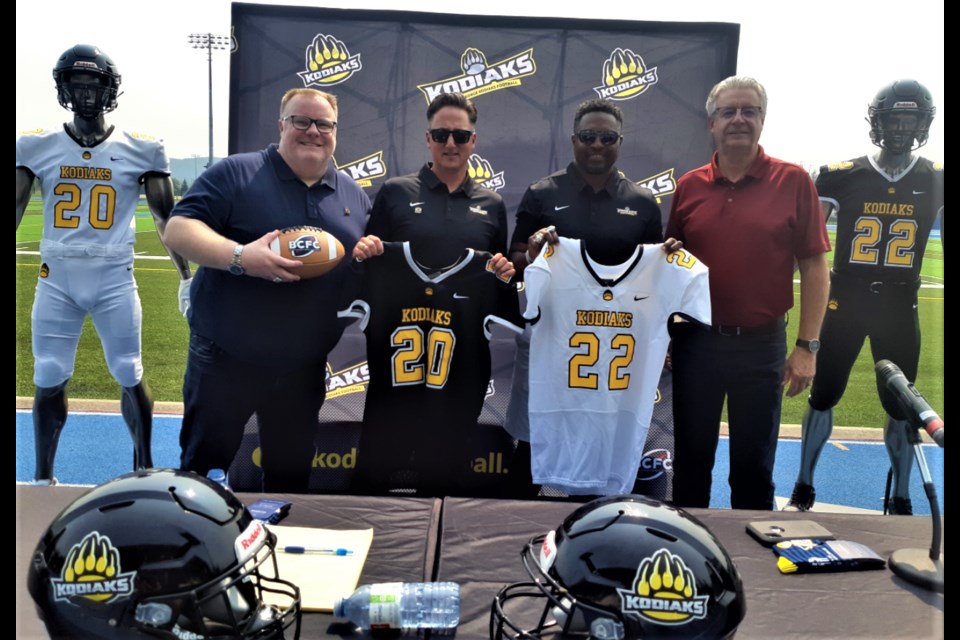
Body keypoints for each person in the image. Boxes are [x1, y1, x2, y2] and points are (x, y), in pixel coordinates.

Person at [163, 88, 370, 492]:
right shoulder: (238, 172)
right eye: (300, 121)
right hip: (226, 358)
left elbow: (355, 264)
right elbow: (179, 228)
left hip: (302, 366)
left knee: (290, 477)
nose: (312, 131)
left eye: (323, 124)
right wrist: (242, 256)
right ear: (281, 125)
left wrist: (364, 255)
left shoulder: (353, 196)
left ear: (335, 132)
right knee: (204, 474)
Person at [15, 44, 192, 484]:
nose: (86, 94)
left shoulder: (142, 148)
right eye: (77, 84)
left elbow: (165, 217)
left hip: (114, 273)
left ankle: (144, 468)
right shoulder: (36, 144)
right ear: (62, 88)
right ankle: (42, 479)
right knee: (49, 372)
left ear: (110, 90)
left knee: (128, 369)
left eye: (94, 85)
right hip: (56, 273)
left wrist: (186, 277)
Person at [665, 76, 831, 510]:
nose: (739, 119)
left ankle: (750, 569)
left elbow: (815, 267)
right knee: (691, 463)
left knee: (753, 468)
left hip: (762, 346)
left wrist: (807, 346)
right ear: (711, 123)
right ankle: (687, 562)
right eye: (728, 111)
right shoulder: (689, 186)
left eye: (749, 111)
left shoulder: (793, 181)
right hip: (697, 343)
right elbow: (670, 268)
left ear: (762, 120)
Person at [784, 80, 943, 515]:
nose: (901, 128)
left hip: (898, 305)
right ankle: (804, 485)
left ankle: (902, 495)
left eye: (910, 119)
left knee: (903, 406)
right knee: (823, 394)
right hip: (845, 303)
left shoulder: (935, 178)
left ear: (923, 123)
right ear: (878, 121)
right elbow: (809, 247)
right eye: (894, 118)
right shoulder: (842, 173)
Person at [504, 98, 675, 497]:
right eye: (587, 136)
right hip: (551, 338)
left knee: (599, 445)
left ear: (620, 141)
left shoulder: (642, 202)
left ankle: (589, 537)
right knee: (532, 440)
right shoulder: (542, 193)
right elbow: (514, 260)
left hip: (609, 345)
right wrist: (530, 254)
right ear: (573, 140)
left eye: (607, 137)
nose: (596, 144)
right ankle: (508, 532)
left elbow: (651, 278)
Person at [350, 92, 515, 496]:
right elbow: (371, 264)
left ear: (473, 140)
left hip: (458, 378)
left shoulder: (491, 204)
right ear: (428, 138)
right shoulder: (395, 192)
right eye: (441, 134)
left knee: (445, 477)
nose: (451, 143)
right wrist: (365, 253)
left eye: (460, 135)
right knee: (376, 478)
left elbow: (502, 272)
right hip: (396, 377)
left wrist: (505, 273)